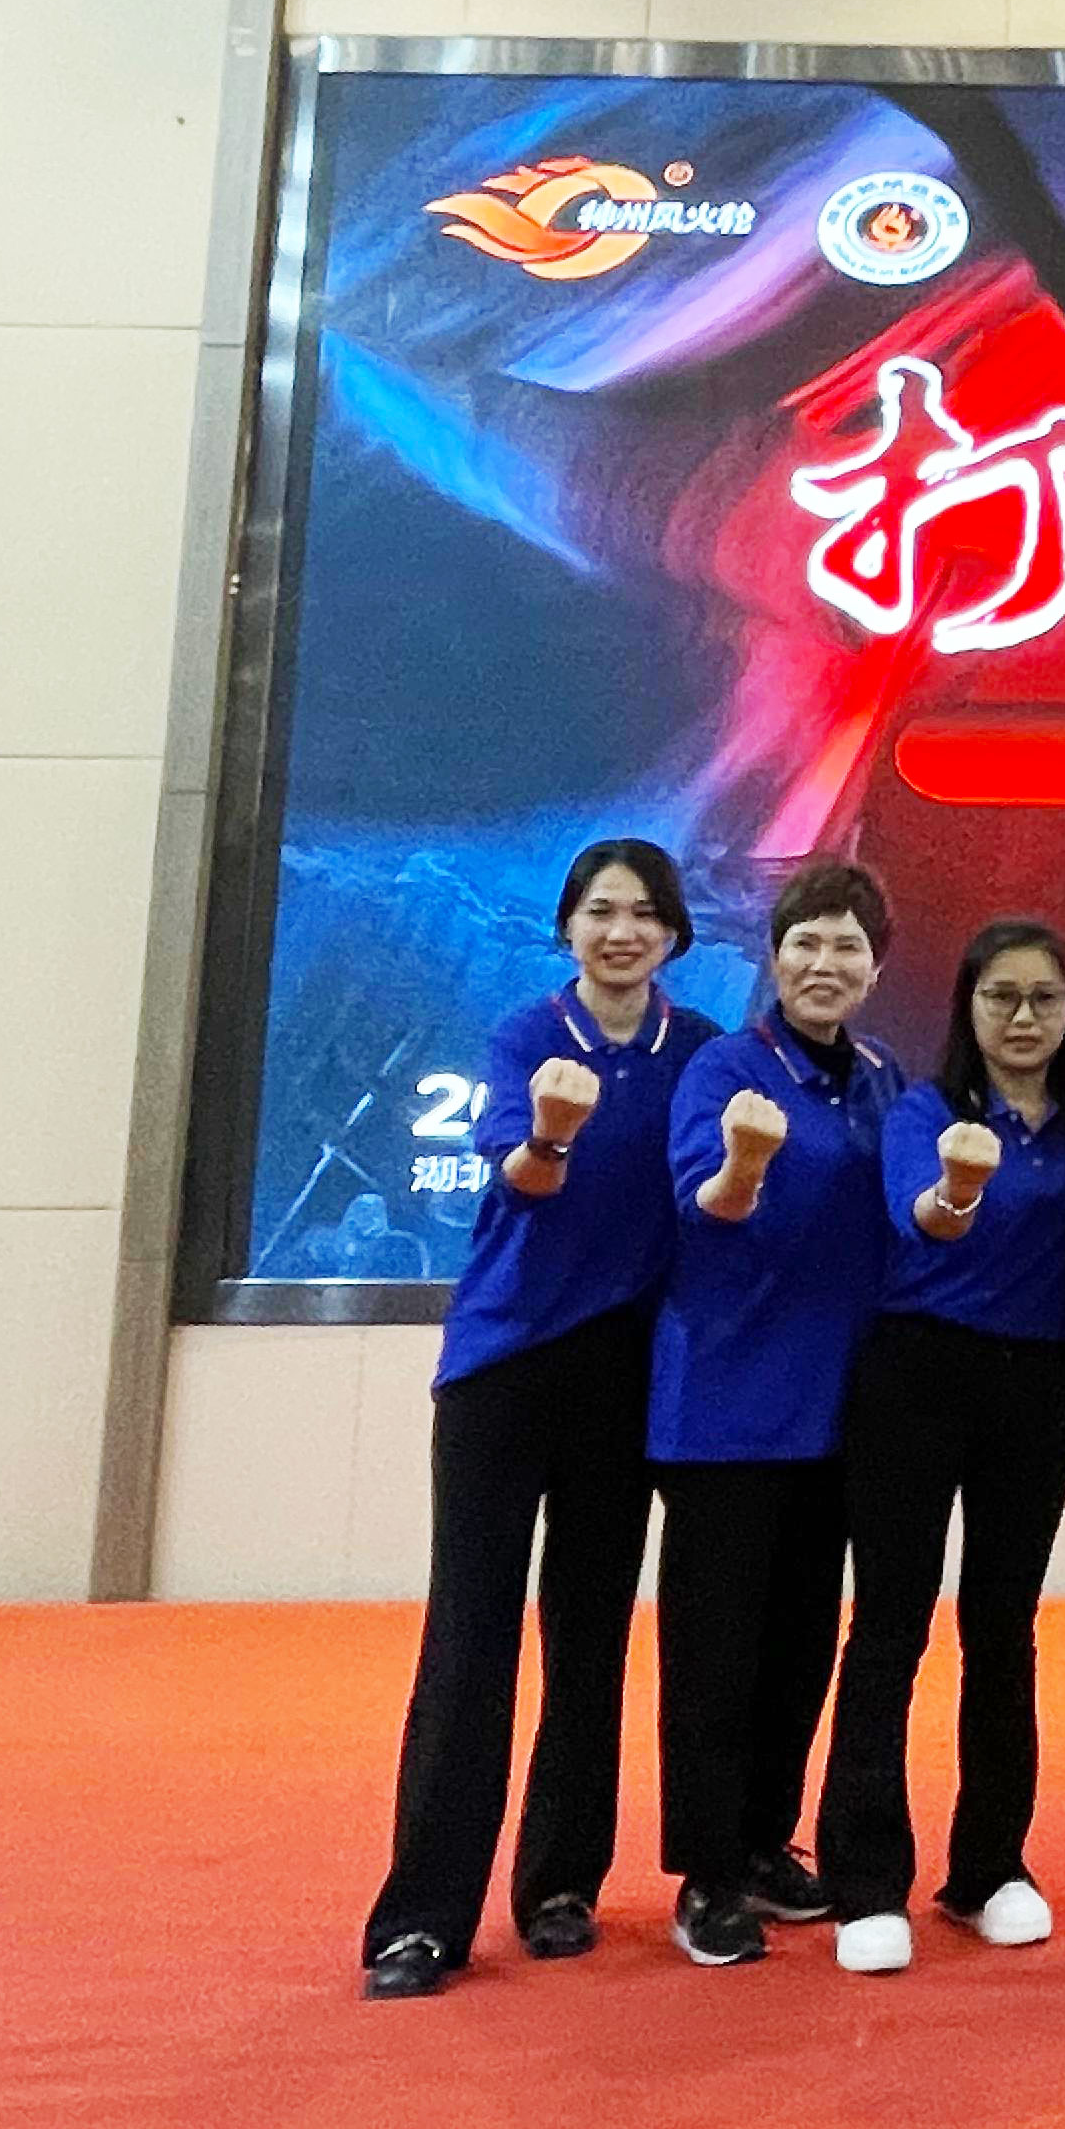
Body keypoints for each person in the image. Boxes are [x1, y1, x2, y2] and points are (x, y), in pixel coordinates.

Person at [361, 839, 707, 2000]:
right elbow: (528, 1176)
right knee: (471, 1636)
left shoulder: (696, 1051)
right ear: (569, 927)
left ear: (673, 935)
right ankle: (422, 1918)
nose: (622, 931)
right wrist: (553, 1132)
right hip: (504, 1366)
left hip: (626, 1374)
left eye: (644, 913)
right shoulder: (527, 1035)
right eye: (601, 911)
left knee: (591, 1635)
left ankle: (561, 1886)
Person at [815, 920, 1065, 1976]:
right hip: (916, 1375)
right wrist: (959, 1190)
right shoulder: (925, 1112)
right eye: (1000, 997)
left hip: (1037, 1383)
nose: (1022, 1018)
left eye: (1044, 999)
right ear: (967, 1008)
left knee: (1004, 1628)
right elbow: (922, 1217)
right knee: (890, 1627)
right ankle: (864, 1882)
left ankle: (990, 1868)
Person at [651, 856, 905, 1969]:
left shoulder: (886, 1079)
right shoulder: (725, 1068)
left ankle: (763, 1842)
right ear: (775, 953)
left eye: (848, 944)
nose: (825, 962)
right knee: (716, 1654)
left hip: (839, 1413)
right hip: (726, 1406)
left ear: (875, 966)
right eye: (806, 941)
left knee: (801, 1649)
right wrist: (746, 1164)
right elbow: (704, 1204)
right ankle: (706, 1875)